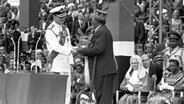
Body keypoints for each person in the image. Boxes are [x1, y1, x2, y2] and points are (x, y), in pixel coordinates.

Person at [77, 9, 117, 104]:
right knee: (100, 95)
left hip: (103, 69)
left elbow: (99, 49)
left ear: (97, 21)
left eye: (92, 19)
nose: (91, 21)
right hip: (103, 69)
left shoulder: (101, 31)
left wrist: (83, 50)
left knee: (103, 96)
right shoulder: (102, 30)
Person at [44, 5, 74, 104]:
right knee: (57, 91)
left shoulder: (65, 28)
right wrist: (70, 51)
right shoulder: (50, 30)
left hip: (66, 64)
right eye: (61, 17)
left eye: (64, 17)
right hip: (56, 64)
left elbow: (68, 44)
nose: (63, 19)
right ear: (54, 17)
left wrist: (71, 62)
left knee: (67, 92)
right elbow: (56, 47)